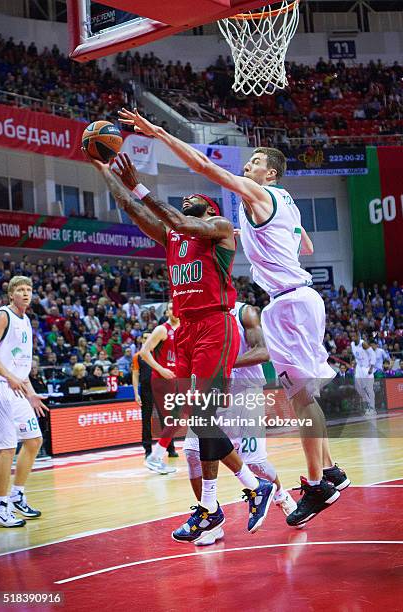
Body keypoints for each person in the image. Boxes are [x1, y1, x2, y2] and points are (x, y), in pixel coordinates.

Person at [119, 109, 350, 528]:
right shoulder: (280, 206)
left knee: (301, 397)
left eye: (255, 164)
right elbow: (308, 247)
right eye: (247, 164)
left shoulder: (259, 195)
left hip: (289, 303)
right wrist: (260, 236)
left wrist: (157, 134)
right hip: (294, 300)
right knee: (301, 394)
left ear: (271, 174)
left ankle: (318, 484)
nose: (247, 167)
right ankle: (330, 471)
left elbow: (204, 165)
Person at [84, 148, 278, 544]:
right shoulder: (174, 236)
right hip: (187, 330)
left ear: (205, 211)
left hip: (213, 325)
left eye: (194, 202)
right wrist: (105, 171)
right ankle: (216, 505)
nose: (185, 202)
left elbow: (172, 216)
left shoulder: (219, 228)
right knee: (200, 422)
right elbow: (133, 209)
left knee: (202, 418)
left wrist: (139, 182)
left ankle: (248, 488)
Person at [183, 301, 297, 545]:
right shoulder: (198, 317)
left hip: (245, 394)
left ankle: (280, 495)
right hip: (212, 392)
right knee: (192, 452)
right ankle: (211, 519)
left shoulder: (245, 312)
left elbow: (264, 352)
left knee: (254, 463)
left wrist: (224, 362)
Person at [0, 276, 48, 527]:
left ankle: (16, 496)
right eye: (20, 290)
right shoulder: (3, 316)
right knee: (6, 448)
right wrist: (9, 378)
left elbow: (19, 363)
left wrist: (29, 391)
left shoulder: (26, 320)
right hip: (0, 386)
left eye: (29, 289)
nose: (26, 293)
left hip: (17, 387)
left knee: (34, 440)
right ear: (11, 295)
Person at [140, 301, 180, 473]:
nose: (174, 310)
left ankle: (156, 456)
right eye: (170, 308)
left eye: (177, 306)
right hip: (162, 380)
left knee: (178, 418)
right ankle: (155, 457)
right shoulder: (162, 329)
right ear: (166, 312)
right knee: (174, 419)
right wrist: (160, 369)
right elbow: (144, 352)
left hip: (179, 379)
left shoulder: (186, 328)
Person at [351, 334, 376, 415]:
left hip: (367, 368)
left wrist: (371, 368)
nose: (353, 338)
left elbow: (373, 354)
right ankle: (368, 405)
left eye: (354, 336)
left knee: (369, 389)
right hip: (359, 368)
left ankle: (372, 408)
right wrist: (355, 363)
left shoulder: (363, 344)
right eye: (352, 336)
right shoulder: (352, 344)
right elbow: (356, 356)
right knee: (359, 387)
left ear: (358, 337)